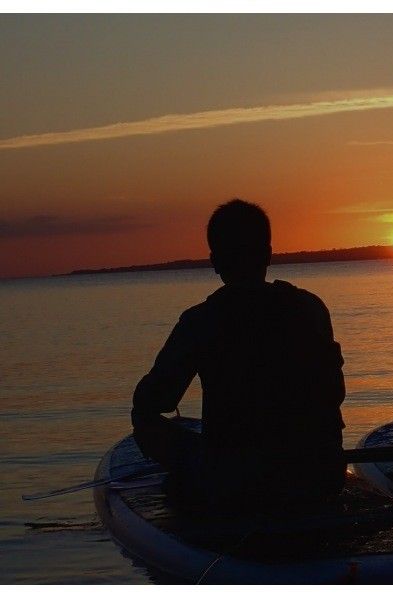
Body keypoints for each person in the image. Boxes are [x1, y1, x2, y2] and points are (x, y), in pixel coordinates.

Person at [131, 199, 346, 511]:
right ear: (269, 254)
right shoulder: (311, 308)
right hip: (320, 476)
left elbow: (156, 401)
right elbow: (335, 393)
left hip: (236, 483)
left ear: (215, 261)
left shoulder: (200, 320)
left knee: (144, 421)